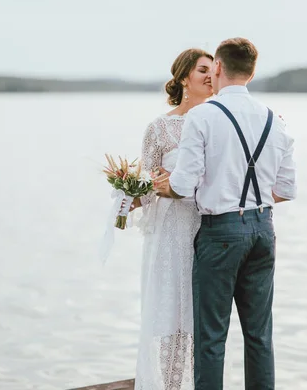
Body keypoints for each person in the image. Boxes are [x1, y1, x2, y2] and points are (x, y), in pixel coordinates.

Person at [154, 37, 297, 390]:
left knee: (211, 338)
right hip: (263, 230)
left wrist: (163, 186)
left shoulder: (202, 116)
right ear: (251, 72)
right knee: (260, 336)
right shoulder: (274, 119)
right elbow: (287, 190)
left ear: (218, 67)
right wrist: (249, 202)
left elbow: (183, 185)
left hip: (220, 235)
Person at [129, 48, 214, 390]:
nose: (211, 76)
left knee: (199, 317)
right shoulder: (160, 128)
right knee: (168, 315)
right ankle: (168, 385)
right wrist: (133, 191)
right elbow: (147, 184)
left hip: (206, 226)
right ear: (183, 79)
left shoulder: (217, 122)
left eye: (213, 70)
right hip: (168, 231)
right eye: (202, 70)